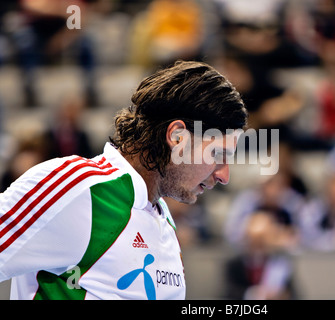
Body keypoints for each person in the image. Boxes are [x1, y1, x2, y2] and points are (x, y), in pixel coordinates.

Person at [0, 60, 248, 300]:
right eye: (217, 154)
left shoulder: (162, 217)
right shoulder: (78, 189)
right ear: (178, 137)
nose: (224, 175)